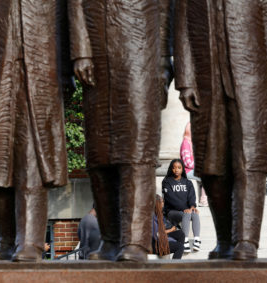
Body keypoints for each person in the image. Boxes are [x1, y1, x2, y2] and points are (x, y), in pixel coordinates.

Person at [174, 0, 267, 260]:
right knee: (212, 166)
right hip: (205, 83)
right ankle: (224, 239)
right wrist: (185, 81)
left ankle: (246, 240)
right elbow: (181, 31)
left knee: (250, 164)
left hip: (251, 82)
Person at [68, 0, 174, 262]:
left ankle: (135, 242)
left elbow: (163, 12)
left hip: (140, 63)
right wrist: (81, 51)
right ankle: (111, 240)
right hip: (97, 62)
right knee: (99, 156)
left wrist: (163, 65)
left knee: (137, 155)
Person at [0, 0, 71, 262]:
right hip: (0, 71)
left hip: (41, 73)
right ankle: (6, 242)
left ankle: (30, 242)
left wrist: (67, 71)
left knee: (31, 161)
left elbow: (67, 20)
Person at [162, 159, 201, 253]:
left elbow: (192, 196)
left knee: (194, 213)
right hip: (171, 212)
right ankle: (185, 240)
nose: (176, 170)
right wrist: (184, 208)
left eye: (179, 168)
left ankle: (197, 239)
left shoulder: (188, 182)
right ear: (171, 169)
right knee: (187, 214)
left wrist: (192, 206)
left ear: (182, 169)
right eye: (174, 168)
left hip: (185, 210)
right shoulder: (167, 182)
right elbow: (170, 199)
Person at [180, 122, 208, 206]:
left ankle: (205, 198)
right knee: (206, 175)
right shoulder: (185, 143)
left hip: (193, 169)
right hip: (187, 171)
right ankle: (203, 200)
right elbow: (187, 163)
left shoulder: (191, 143)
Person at [152, 195, 185, 260]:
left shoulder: (158, 213)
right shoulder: (151, 217)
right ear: (157, 203)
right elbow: (157, 235)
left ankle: (177, 256)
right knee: (180, 247)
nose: (163, 203)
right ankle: (175, 267)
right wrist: (171, 230)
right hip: (156, 244)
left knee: (180, 234)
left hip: (161, 238)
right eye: (162, 201)